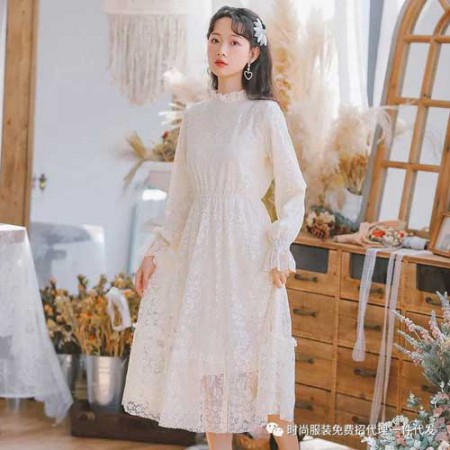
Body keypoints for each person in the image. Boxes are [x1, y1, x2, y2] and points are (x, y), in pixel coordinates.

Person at [122, 6, 307, 450]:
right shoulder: (196, 117)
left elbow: (293, 190)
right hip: (201, 253)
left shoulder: (265, 115)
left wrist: (280, 244)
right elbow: (181, 199)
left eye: (234, 42)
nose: (222, 49)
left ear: (253, 53)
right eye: (215, 39)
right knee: (211, 374)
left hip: (249, 255)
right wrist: (155, 250)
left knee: (262, 375)